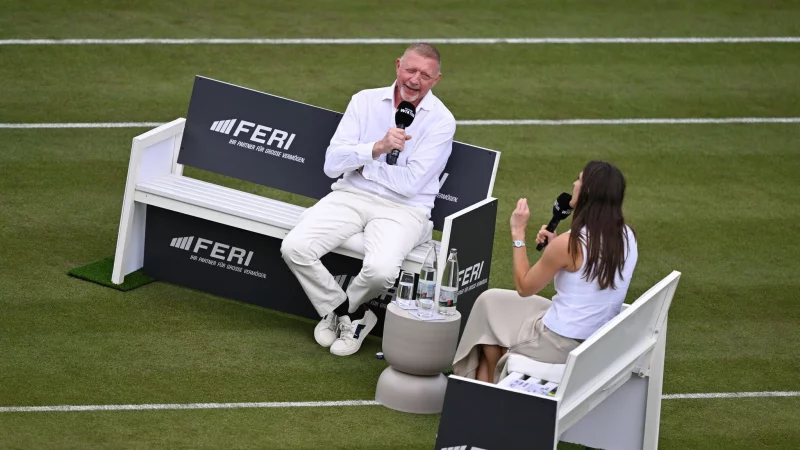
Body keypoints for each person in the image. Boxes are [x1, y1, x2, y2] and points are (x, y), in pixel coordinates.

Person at [280, 43, 456, 357]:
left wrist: (362, 164)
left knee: (381, 271)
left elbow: (410, 184)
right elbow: (332, 165)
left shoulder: (442, 121)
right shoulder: (364, 101)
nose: (415, 80)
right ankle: (350, 314)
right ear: (398, 65)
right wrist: (376, 148)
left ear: (437, 80)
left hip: (404, 210)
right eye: (410, 70)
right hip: (350, 195)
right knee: (295, 247)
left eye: (425, 75)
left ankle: (341, 313)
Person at [452, 161, 639, 383]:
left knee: (491, 333)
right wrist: (555, 245)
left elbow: (524, 287)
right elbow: (585, 273)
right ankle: (488, 381)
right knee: (488, 301)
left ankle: (479, 384)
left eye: (579, 180)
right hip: (594, 337)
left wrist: (518, 233)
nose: (574, 183)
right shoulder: (628, 235)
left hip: (560, 342)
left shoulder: (569, 244)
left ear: (588, 192)